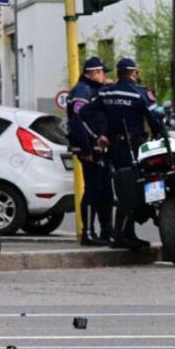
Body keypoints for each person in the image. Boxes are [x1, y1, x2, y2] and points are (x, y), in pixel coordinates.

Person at [79, 57, 165, 250]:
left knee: (122, 188)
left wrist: (97, 135)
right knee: (135, 188)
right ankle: (123, 233)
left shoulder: (106, 93)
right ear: (134, 73)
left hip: (114, 149)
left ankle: (122, 233)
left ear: (117, 73)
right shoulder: (139, 94)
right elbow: (155, 121)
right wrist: (157, 134)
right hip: (135, 148)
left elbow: (82, 114)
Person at [67, 56, 111, 246]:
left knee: (105, 191)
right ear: (93, 73)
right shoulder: (82, 91)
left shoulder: (94, 89)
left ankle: (105, 231)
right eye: (102, 73)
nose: (104, 76)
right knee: (93, 191)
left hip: (100, 148)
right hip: (91, 148)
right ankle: (89, 233)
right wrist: (87, 147)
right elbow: (78, 120)